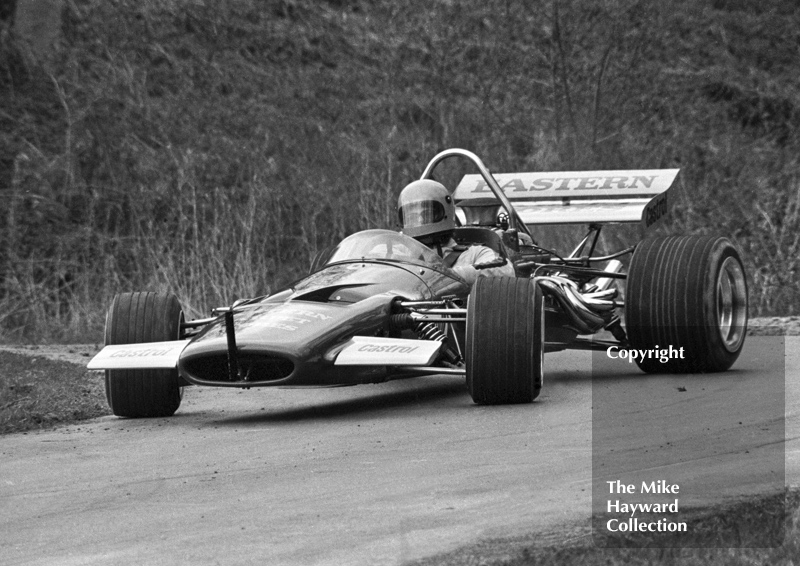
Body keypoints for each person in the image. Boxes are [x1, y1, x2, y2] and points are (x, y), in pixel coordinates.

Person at [397, 179, 516, 285]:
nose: (419, 221)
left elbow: (505, 270)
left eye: (426, 214)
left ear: (443, 213)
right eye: (412, 216)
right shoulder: (398, 252)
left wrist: (451, 275)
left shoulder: (473, 254)